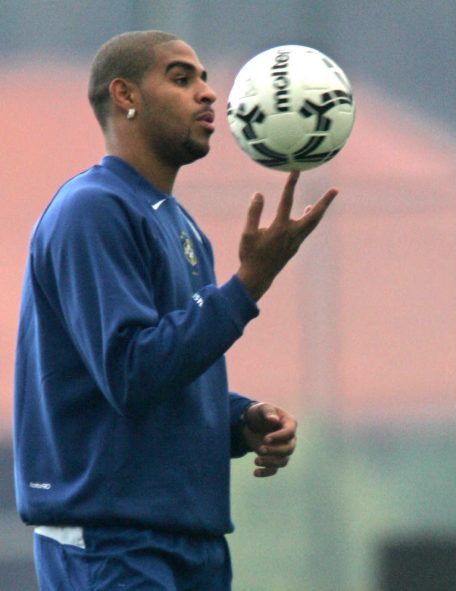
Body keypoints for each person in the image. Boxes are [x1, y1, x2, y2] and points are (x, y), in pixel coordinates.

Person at [13, 31, 337, 590]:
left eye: (206, 80)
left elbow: (169, 365)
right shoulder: (93, 210)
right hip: (112, 544)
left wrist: (239, 420)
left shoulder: (180, 224)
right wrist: (248, 285)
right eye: (182, 78)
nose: (209, 95)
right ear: (125, 95)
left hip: (190, 540)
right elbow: (131, 371)